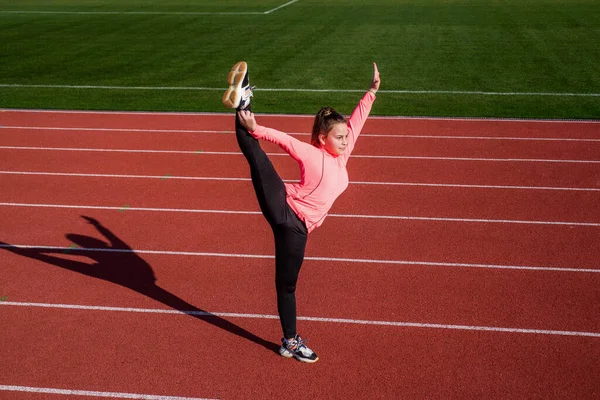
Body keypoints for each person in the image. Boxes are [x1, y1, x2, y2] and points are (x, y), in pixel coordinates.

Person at [222, 61, 380, 363]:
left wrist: (371, 92)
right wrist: (257, 128)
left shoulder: (341, 154)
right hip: (288, 218)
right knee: (255, 153)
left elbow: (357, 123)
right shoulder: (312, 152)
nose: (346, 141)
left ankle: (243, 100)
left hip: (296, 223)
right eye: (339, 137)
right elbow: (286, 141)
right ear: (323, 139)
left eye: (345, 137)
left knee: (285, 283)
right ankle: (291, 342)